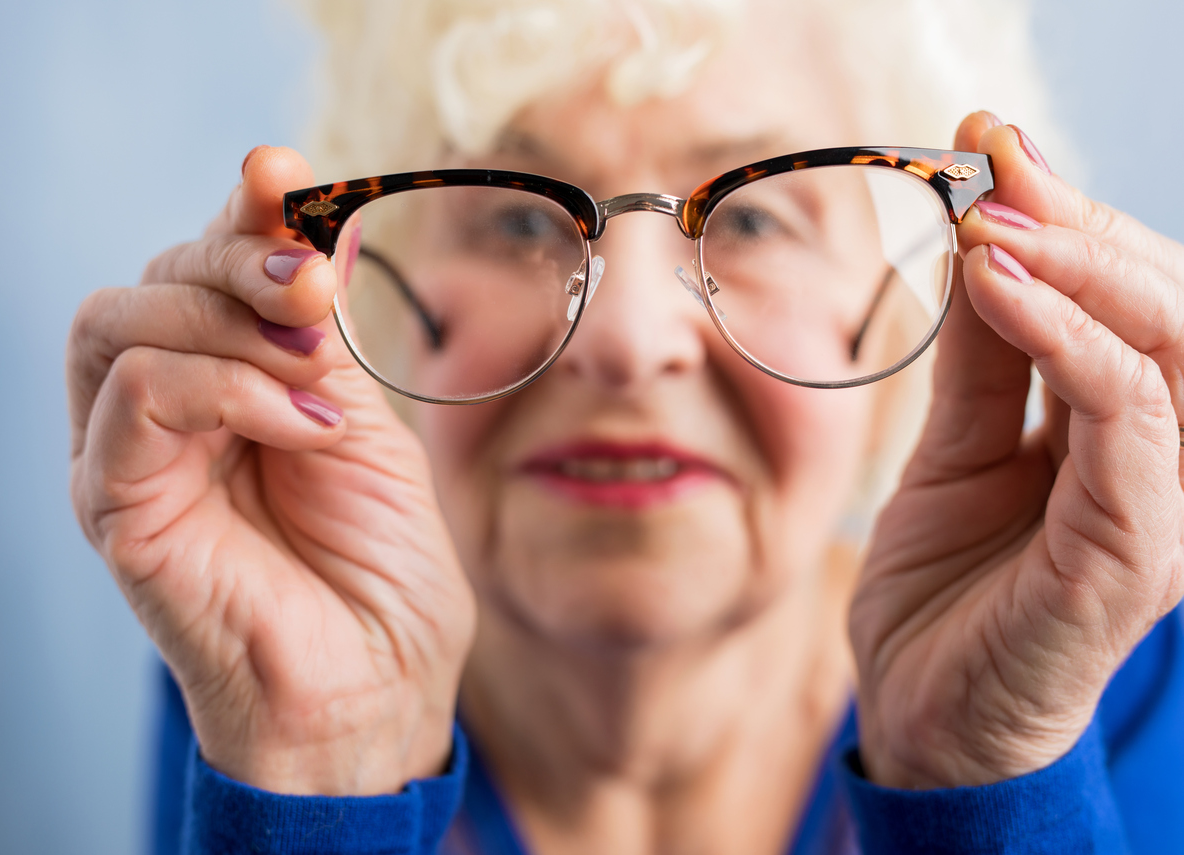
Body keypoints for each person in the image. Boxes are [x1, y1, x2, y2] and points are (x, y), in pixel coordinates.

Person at [66, 1, 1184, 853]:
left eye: (751, 215)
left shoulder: (1088, 666)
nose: (626, 336)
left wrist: (989, 780)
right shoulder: (279, 664)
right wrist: (314, 775)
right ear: (373, 292)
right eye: (514, 215)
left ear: (916, 295)